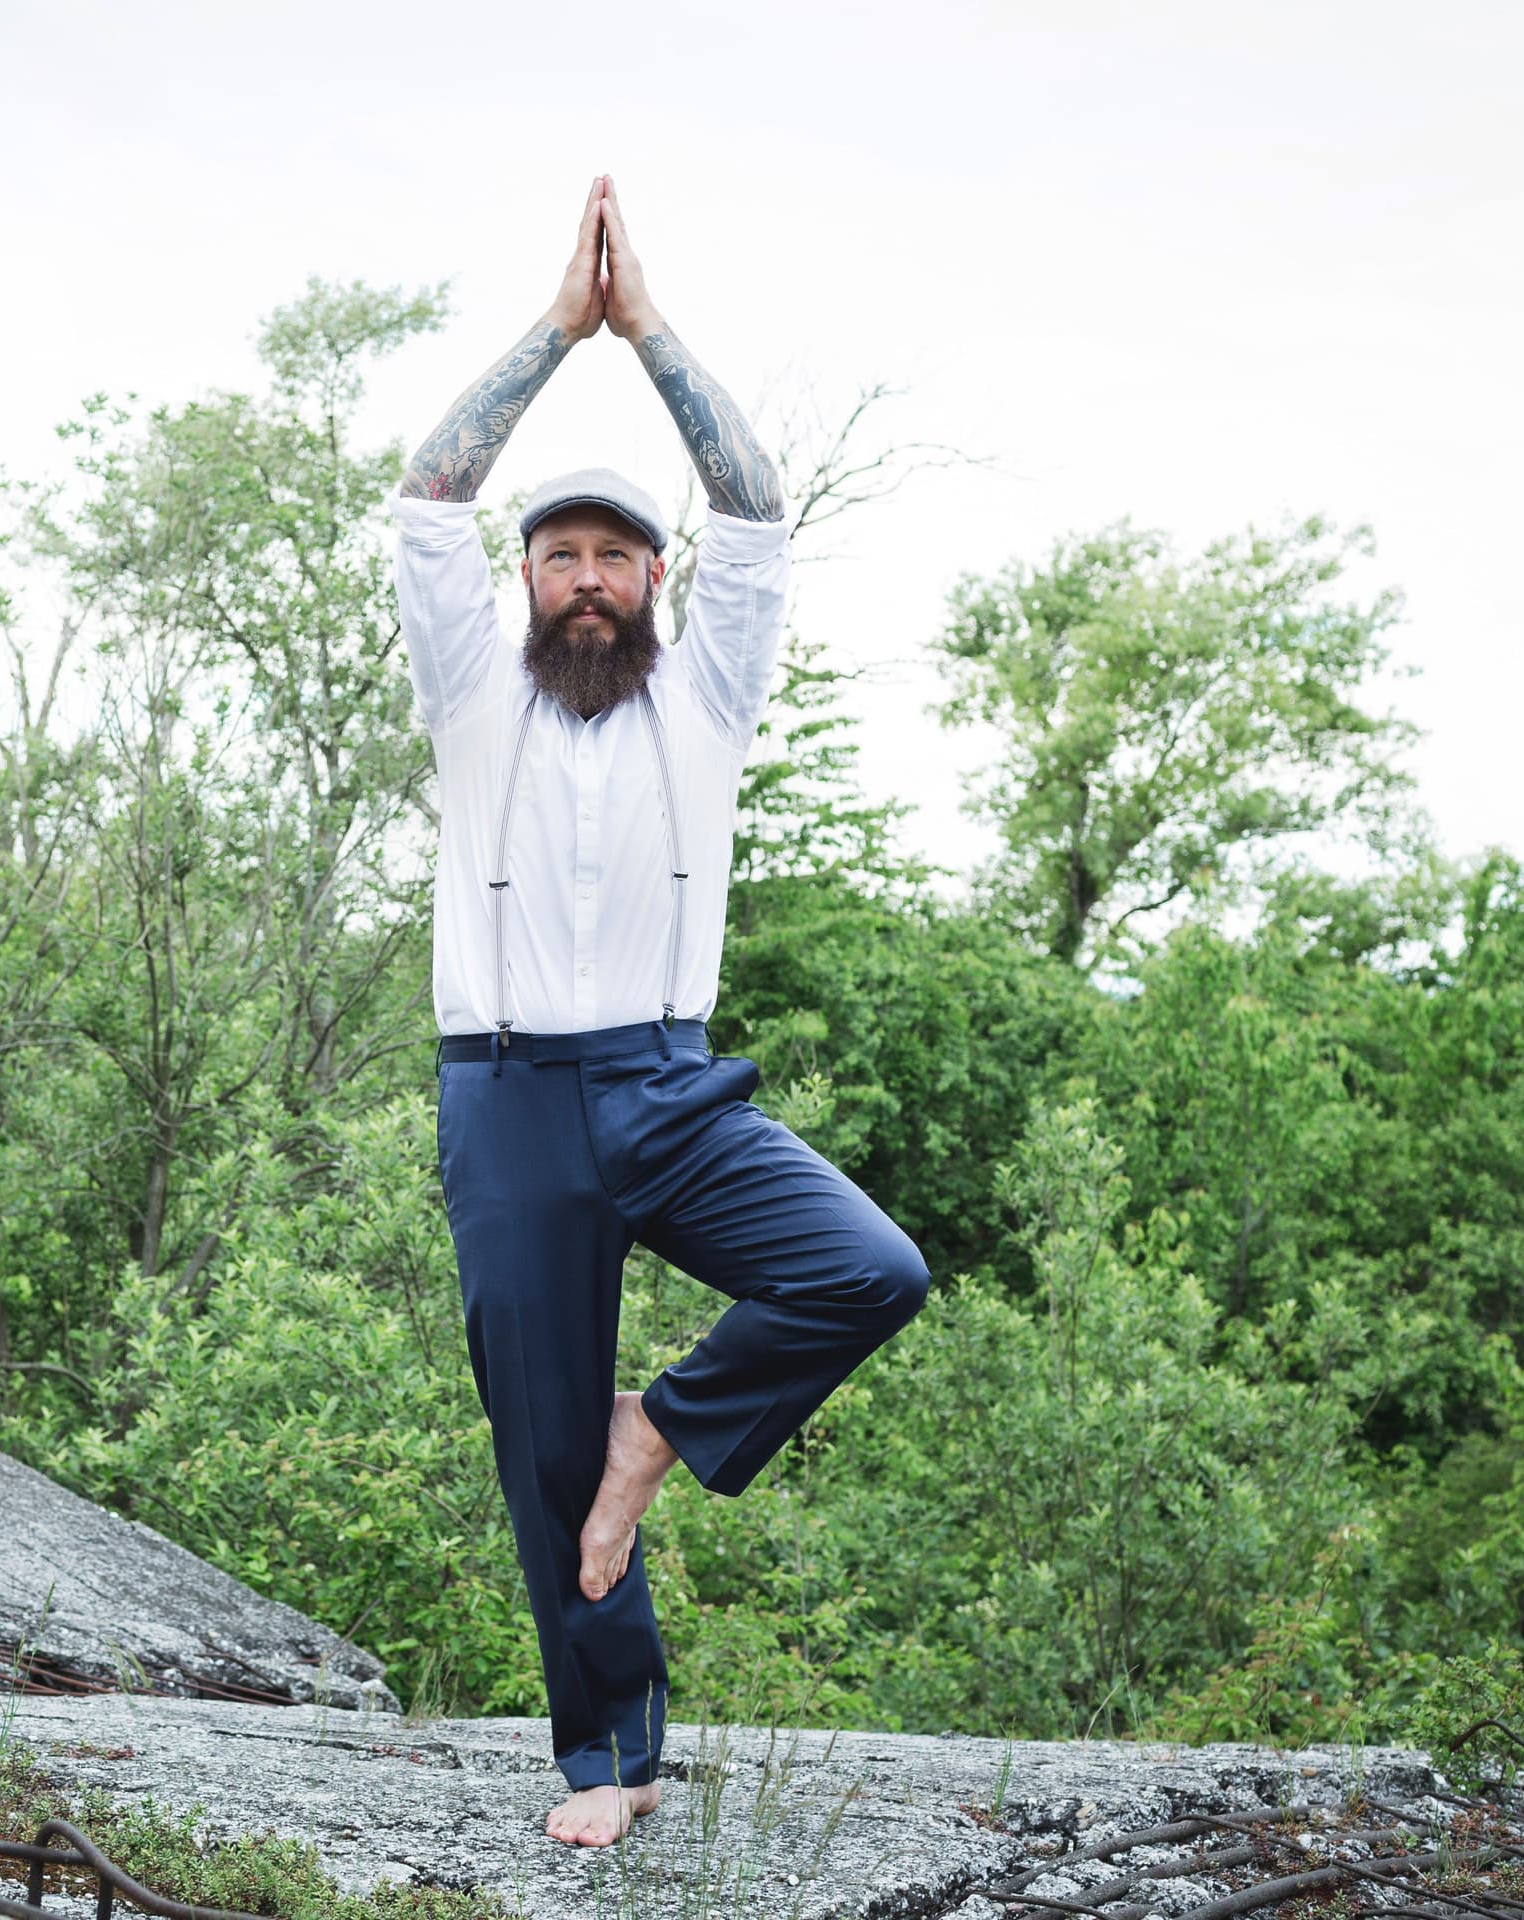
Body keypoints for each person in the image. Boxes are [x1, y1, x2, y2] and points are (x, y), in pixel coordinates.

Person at [391, 175, 930, 1850]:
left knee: (869, 1270)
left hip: (663, 1089)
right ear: (527, 581)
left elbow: (757, 508)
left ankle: (665, 1430)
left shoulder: (708, 697)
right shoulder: (472, 689)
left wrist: (651, 331)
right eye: (561, 554)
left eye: (618, 554)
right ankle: (608, 1763)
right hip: (502, 1102)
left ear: (652, 580)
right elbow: (428, 486)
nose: (589, 578)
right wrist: (560, 330)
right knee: (545, 1453)